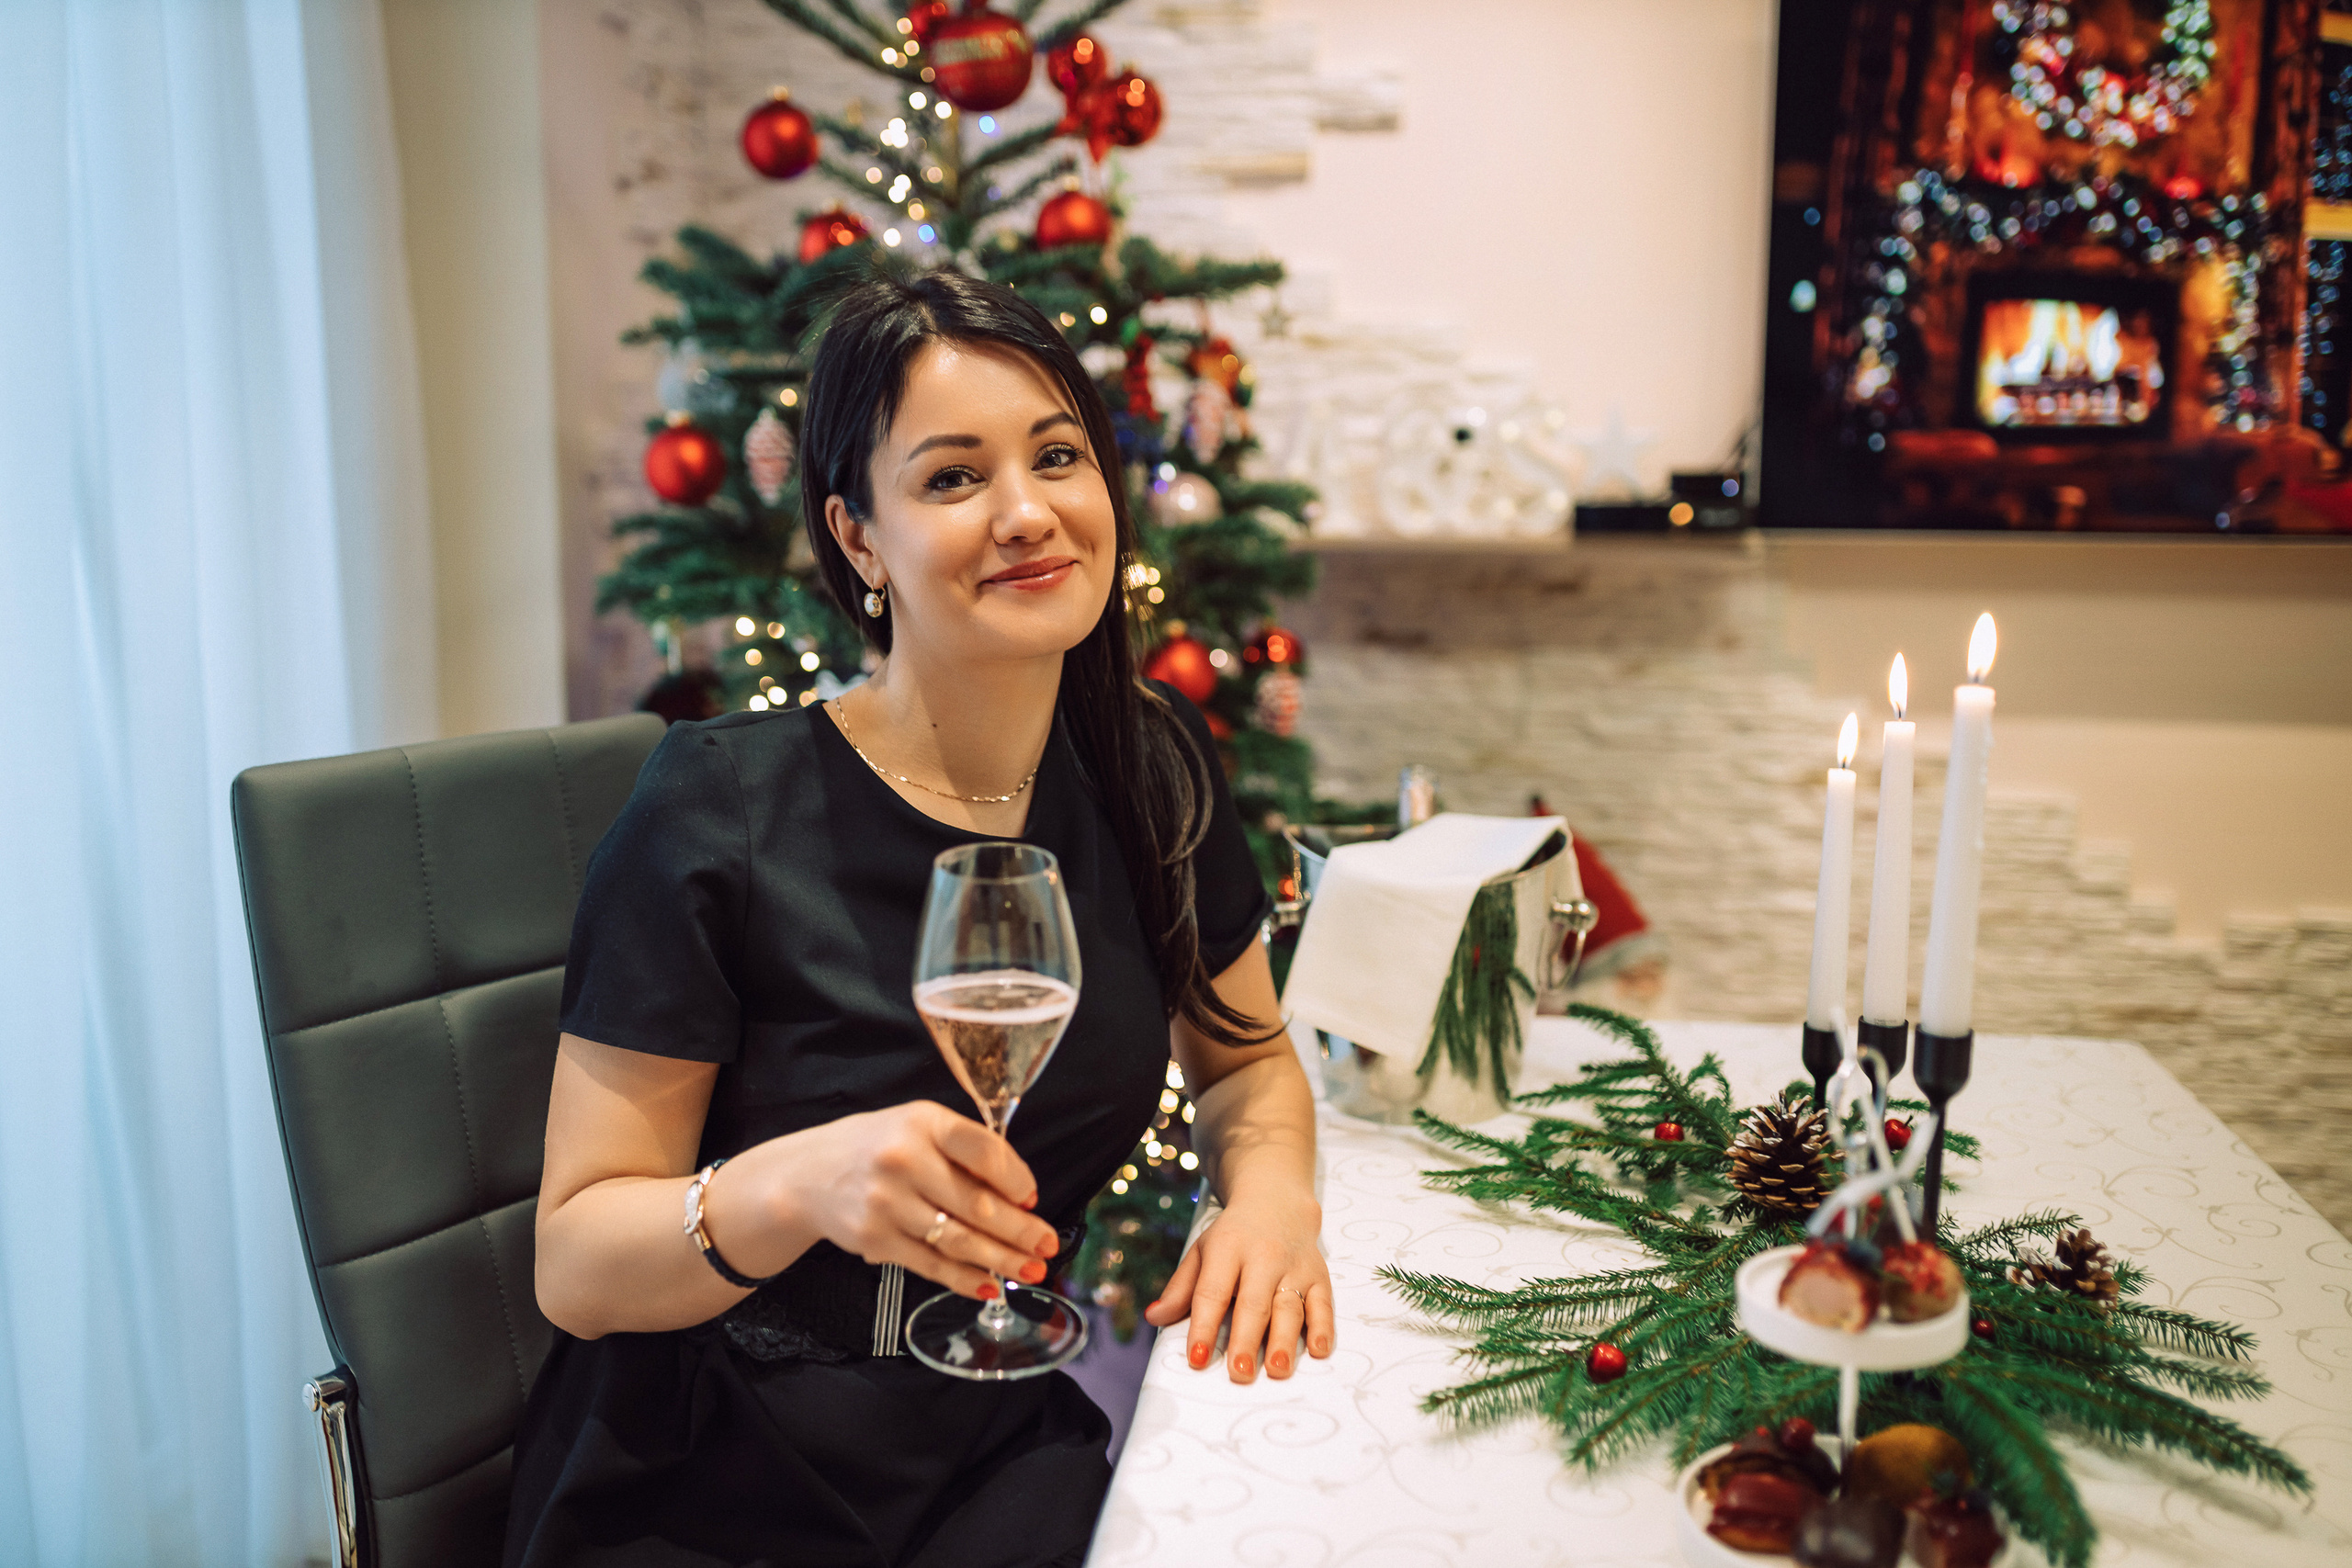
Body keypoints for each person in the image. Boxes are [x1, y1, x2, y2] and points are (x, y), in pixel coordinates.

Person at [505, 268, 1332, 1568]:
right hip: (710, 1462)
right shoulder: (717, 808)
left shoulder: (1147, 767)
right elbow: (577, 1260)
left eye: (1057, 455)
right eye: (952, 478)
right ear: (858, 536)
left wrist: (1272, 1199)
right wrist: (797, 1185)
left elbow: (1246, 1062)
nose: (1025, 512)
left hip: (994, 1435)